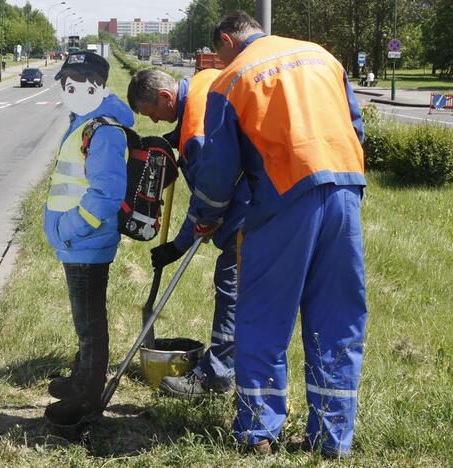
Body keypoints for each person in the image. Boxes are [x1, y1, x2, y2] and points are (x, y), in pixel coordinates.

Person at [189, 11, 367, 456]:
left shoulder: (231, 79)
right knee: (338, 316)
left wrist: (206, 217)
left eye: (219, 50)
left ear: (228, 39)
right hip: (345, 190)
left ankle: (258, 432)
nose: (219, 58)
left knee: (264, 314)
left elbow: (216, 169)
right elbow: (355, 126)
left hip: (286, 197)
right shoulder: (323, 57)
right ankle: (331, 437)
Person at [126, 68, 250, 399]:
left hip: (248, 210)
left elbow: (208, 200)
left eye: (153, 114)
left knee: (231, 290)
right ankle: (242, 374)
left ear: (167, 97)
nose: (153, 122)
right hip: (265, 194)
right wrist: (174, 137)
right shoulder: (203, 80)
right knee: (247, 297)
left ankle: (216, 377)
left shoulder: (195, 131)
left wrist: (179, 245)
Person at [43, 51, 132, 426]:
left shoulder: (103, 130)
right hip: (78, 244)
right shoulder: (85, 121)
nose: (69, 90)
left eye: (76, 83)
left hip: (86, 242)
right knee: (85, 320)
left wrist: (70, 228)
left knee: (90, 323)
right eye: (66, 83)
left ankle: (87, 397)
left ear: (95, 85)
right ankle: (82, 379)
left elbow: (107, 193)